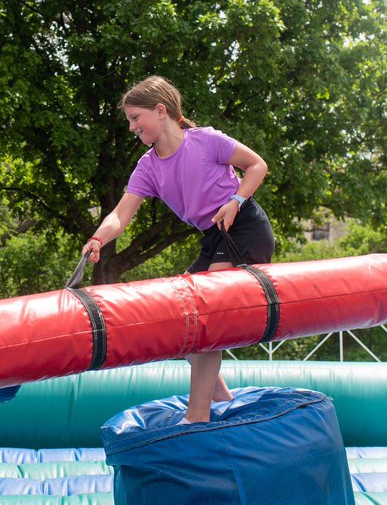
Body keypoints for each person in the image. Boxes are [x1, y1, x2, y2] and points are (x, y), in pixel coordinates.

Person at [82, 76, 274, 424]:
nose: (131, 127)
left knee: (205, 314)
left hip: (243, 226)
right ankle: (220, 396)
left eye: (135, 117)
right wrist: (97, 238)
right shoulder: (148, 167)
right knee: (179, 319)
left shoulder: (206, 141)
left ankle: (197, 415)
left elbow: (257, 165)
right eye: (129, 121)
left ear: (161, 110)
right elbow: (120, 215)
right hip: (214, 237)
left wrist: (235, 200)